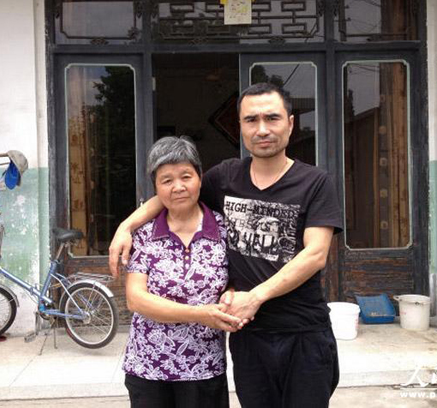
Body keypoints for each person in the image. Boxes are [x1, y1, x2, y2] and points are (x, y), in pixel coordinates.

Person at [111, 83, 343, 408]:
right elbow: (176, 191)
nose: (262, 129)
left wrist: (255, 297)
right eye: (251, 120)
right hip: (249, 335)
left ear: (290, 124)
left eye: (272, 118)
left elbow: (316, 254)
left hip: (303, 331)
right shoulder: (226, 177)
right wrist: (127, 226)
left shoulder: (316, 182)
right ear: (241, 128)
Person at [122, 136, 242, 408]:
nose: (178, 187)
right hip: (149, 367)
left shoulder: (224, 230)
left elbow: (236, 281)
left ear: (200, 178)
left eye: (186, 176)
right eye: (167, 180)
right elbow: (135, 299)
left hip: (204, 368)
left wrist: (230, 295)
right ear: (156, 187)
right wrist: (200, 314)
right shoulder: (144, 234)